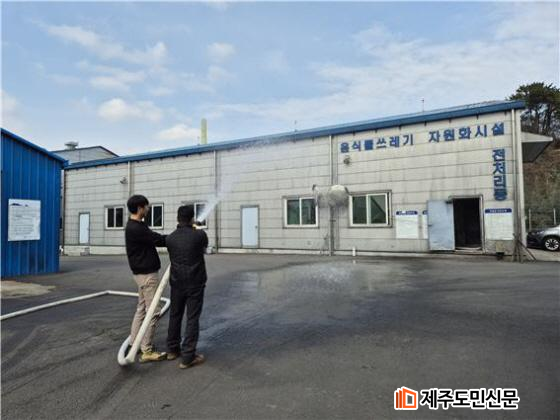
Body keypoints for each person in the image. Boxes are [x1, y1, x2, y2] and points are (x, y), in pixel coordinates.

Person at [125, 194, 167, 363]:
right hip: (147, 275)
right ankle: (146, 350)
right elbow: (158, 239)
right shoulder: (137, 228)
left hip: (141, 275)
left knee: (142, 309)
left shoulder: (134, 225)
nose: (148, 209)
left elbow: (154, 238)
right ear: (140, 208)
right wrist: (179, 236)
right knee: (153, 311)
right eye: (147, 206)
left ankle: (134, 343)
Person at [165, 205, 208, 369]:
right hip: (195, 282)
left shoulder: (170, 238)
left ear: (178, 218)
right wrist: (195, 228)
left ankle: (172, 350)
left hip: (176, 283)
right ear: (192, 218)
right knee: (192, 318)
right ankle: (188, 356)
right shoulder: (199, 235)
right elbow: (203, 245)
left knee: (175, 315)